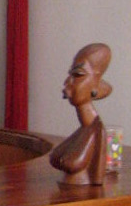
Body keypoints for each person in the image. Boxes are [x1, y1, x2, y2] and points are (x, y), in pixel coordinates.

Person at [48, 42, 113, 185]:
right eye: (70, 74)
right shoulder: (84, 129)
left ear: (96, 84)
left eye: (78, 75)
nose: (67, 82)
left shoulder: (95, 130)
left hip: (79, 195)